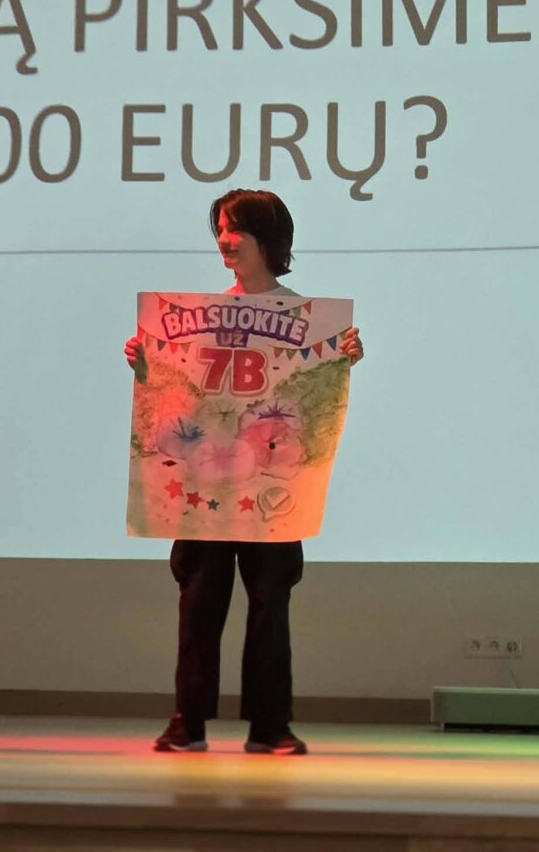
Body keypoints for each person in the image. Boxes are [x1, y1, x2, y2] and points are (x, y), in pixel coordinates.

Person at [125, 188, 364, 755]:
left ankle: (270, 725)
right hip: (202, 487)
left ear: (268, 238)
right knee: (198, 605)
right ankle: (188, 721)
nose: (225, 240)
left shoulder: (310, 320)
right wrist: (146, 363)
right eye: (221, 230)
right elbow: (176, 397)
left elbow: (311, 396)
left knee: (270, 606)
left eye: (236, 229)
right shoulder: (195, 318)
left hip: (271, 492)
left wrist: (343, 354)